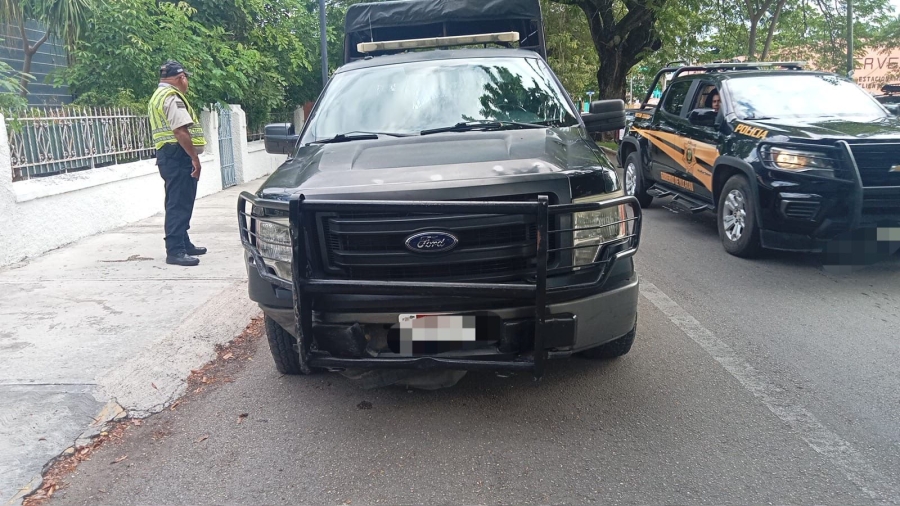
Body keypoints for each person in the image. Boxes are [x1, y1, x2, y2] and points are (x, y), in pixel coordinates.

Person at [148, 60, 208, 266]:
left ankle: (183, 242)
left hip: (168, 154)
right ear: (181, 78)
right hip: (178, 155)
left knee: (179, 200)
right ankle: (175, 250)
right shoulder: (171, 97)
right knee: (179, 202)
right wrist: (194, 158)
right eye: (186, 78)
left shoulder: (157, 96)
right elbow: (180, 131)